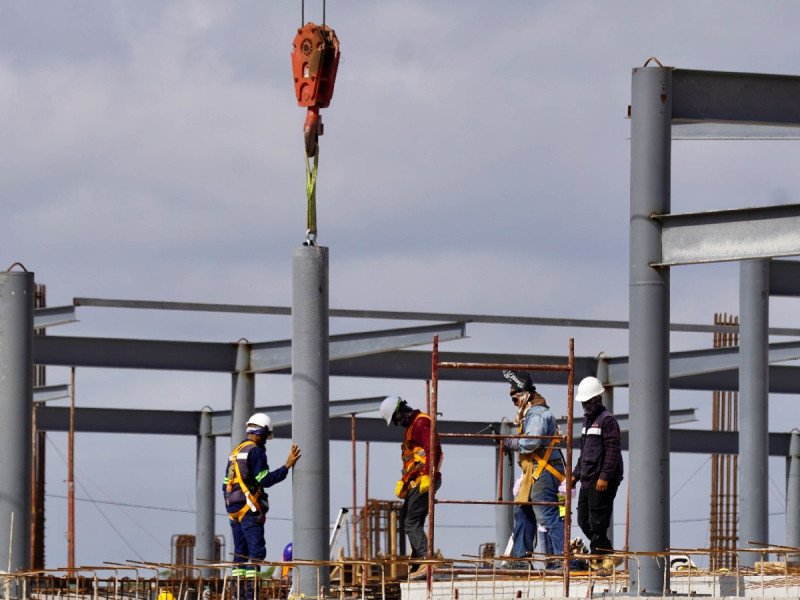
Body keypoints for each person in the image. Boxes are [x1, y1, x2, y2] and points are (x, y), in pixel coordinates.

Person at [222, 413, 301, 599]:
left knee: (240, 554)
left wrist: (230, 506)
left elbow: (226, 483)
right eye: (266, 436)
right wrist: (286, 466)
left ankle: (238, 595)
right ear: (260, 432)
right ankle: (250, 596)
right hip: (249, 510)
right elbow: (264, 479)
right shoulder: (255, 452)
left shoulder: (236, 451)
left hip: (234, 511)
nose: (266, 440)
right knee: (256, 553)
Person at [502, 370, 567, 570]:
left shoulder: (537, 413)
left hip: (544, 472)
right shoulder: (531, 413)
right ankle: (521, 559)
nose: (514, 403)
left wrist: (511, 443)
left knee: (547, 515)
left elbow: (531, 443)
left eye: (515, 398)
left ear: (524, 395)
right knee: (522, 511)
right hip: (535, 471)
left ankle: (561, 560)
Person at [380, 395, 443, 577]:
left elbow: (433, 449)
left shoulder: (420, 423)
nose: (397, 423)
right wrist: (404, 481)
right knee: (410, 519)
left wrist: (427, 476)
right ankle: (417, 562)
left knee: (410, 521)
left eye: (396, 419)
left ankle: (425, 559)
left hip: (425, 480)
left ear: (401, 410)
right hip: (418, 481)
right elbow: (412, 459)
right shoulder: (412, 427)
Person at [571, 376, 624, 571]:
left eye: (587, 401)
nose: (585, 406)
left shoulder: (607, 421)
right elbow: (584, 452)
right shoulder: (587, 422)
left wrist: (604, 476)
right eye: (583, 402)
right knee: (583, 519)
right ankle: (607, 552)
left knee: (598, 520)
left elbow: (612, 450)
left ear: (597, 399)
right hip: (587, 477)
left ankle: (599, 557)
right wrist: (575, 475)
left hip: (602, 479)